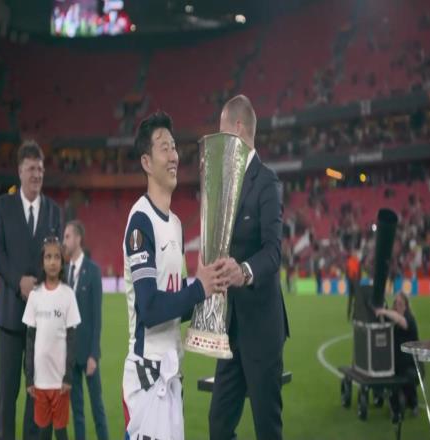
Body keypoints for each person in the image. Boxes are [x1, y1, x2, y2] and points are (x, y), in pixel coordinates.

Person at [122, 111, 226, 440]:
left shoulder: (177, 225)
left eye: (174, 147)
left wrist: (213, 289)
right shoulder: (141, 221)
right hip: (147, 372)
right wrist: (198, 289)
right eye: (164, 147)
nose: (173, 155)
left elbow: (177, 306)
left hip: (172, 371)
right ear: (146, 162)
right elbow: (150, 308)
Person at [209, 95, 290, 440]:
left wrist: (243, 271)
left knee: (267, 429)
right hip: (231, 330)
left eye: (223, 131)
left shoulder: (267, 182)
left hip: (262, 331)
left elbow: (273, 252)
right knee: (218, 425)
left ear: (239, 129)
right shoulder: (226, 185)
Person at [0, 140, 62, 440]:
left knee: (37, 395)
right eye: (31, 168)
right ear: (20, 171)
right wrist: (17, 281)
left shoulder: (54, 211)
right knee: (7, 396)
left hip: (42, 321)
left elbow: (57, 259)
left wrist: (43, 283)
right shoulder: (3, 206)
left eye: (40, 169)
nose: (37, 174)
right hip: (10, 318)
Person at [23, 237, 81, 440]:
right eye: (48, 257)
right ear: (42, 262)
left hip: (59, 381)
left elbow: (72, 340)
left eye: (57, 257)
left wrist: (68, 377)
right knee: (43, 432)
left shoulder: (68, 295)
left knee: (61, 431)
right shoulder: (35, 295)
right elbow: (30, 340)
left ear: (62, 263)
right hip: (40, 380)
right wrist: (29, 377)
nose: (52, 262)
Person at [62, 220, 110, 440]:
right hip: (70, 353)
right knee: (77, 411)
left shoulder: (93, 271)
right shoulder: (64, 272)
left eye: (67, 236)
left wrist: (94, 354)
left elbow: (96, 317)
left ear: (78, 238)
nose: (64, 241)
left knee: (97, 407)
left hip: (88, 353)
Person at [375, 292, 421, 422]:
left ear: (406, 306)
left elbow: (402, 321)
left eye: (400, 303)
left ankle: (413, 404)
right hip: (397, 364)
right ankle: (395, 408)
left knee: (406, 377)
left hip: (411, 365)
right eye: (396, 303)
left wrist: (385, 311)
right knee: (389, 377)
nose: (397, 306)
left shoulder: (409, 319)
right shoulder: (394, 318)